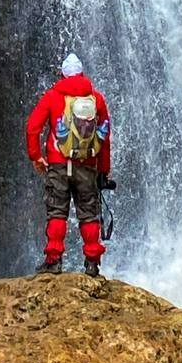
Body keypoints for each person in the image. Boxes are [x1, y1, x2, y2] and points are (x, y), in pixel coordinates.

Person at [25, 52, 113, 276]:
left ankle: (53, 261)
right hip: (87, 164)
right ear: (82, 73)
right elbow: (105, 136)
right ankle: (92, 262)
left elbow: (33, 127)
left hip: (58, 164)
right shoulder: (96, 98)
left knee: (57, 212)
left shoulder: (53, 96)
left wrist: (36, 156)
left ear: (62, 75)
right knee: (88, 213)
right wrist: (103, 170)